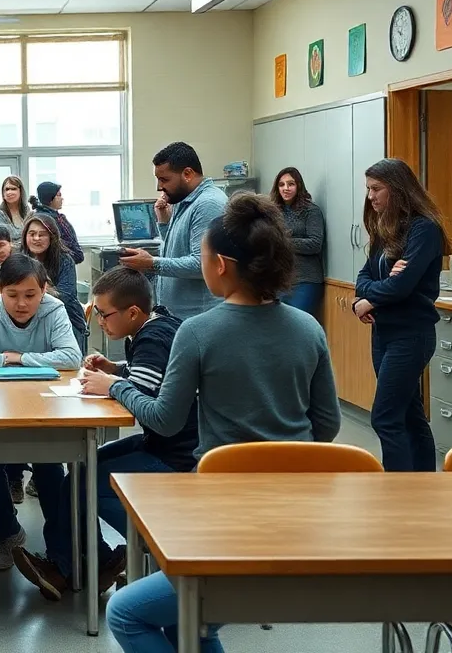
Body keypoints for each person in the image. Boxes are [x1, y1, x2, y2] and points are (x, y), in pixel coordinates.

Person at [103, 194, 340, 653]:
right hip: (298, 519)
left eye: (205, 257)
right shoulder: (308, 328)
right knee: (191, 624)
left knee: (126, 613)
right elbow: (326, 425)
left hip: (224, 518)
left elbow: (165, 421)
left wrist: (116, 386)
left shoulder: (198, 331)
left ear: (223, 266)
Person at [13, 266, 195, 601]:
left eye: (103, 314)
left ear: (133, 312)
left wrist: (112, 387)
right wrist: (117, 370)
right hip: (170, 443)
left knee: (87, 482)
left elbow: (146, 407)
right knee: (81, 466)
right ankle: (96, 561)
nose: (99, 321)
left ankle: (153, 543)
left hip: (174, 454)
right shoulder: (161, 324)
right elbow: (155, 381)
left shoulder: (152, 340)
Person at [0, 254, 83, 572]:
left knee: (50, 464)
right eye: (12, 295)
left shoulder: (54, 310)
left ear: (43, 291)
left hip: (43, 409)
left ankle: (60, 544)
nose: (21, 304)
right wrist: (5, 359)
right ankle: (8, 534)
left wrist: (21, 357)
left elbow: (70, 357)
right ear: (0, 291)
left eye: (30, 295)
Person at [354, 158, 449, 473]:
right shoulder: (387, 226)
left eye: (376, 189)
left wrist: (370, 299)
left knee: (384, 417)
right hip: (383, 333)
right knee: (409, 413)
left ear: (396, 189)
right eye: (369, 189)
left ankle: (396, 489)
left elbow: (403, 286)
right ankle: (422, 483)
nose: (371, 196)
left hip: (411, 335)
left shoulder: (425, 229)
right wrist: (370, 293)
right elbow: (365, 276)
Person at [119, 142, 228, 320]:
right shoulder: (185, 200)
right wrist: (164, 223)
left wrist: (152, 263)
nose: (159, 187)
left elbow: (201, 265)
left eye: (164, 179)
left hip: (197, 318)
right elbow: (179, 249)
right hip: (178, 318)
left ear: (187, 174)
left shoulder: (208, 204)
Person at [22, 213, 89, 354]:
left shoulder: (65, 260)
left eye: (42, 234)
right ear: (25, 236)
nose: (36, 238)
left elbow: (64, 297)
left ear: (52, 237)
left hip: (68, 321)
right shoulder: (20, 259)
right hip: (30, 323)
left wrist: (32, 291)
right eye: (32, 234)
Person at [271, 166, 325, 318]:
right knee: (280, 326)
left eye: (291, 184)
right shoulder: (274, 212)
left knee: (299, 323)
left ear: (299, 186)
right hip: (280, 280)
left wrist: (283, 241)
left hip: (306, 279)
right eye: (281, 185)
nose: (285, 188)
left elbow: (315, 244)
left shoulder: (311, 211)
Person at [29, 181, 84, 264]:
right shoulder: (52, 220)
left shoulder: (38, 216)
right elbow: (77, 254)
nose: (62, 198)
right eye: (59, 195)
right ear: (50, 199)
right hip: (59, 265)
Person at [0, 176, 30, 243]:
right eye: (7, 189)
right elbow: (3, 239)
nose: (9, 192)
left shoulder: (27, 211)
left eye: (13, 189)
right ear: (3, 193)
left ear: (21, 191)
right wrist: (26, 232)